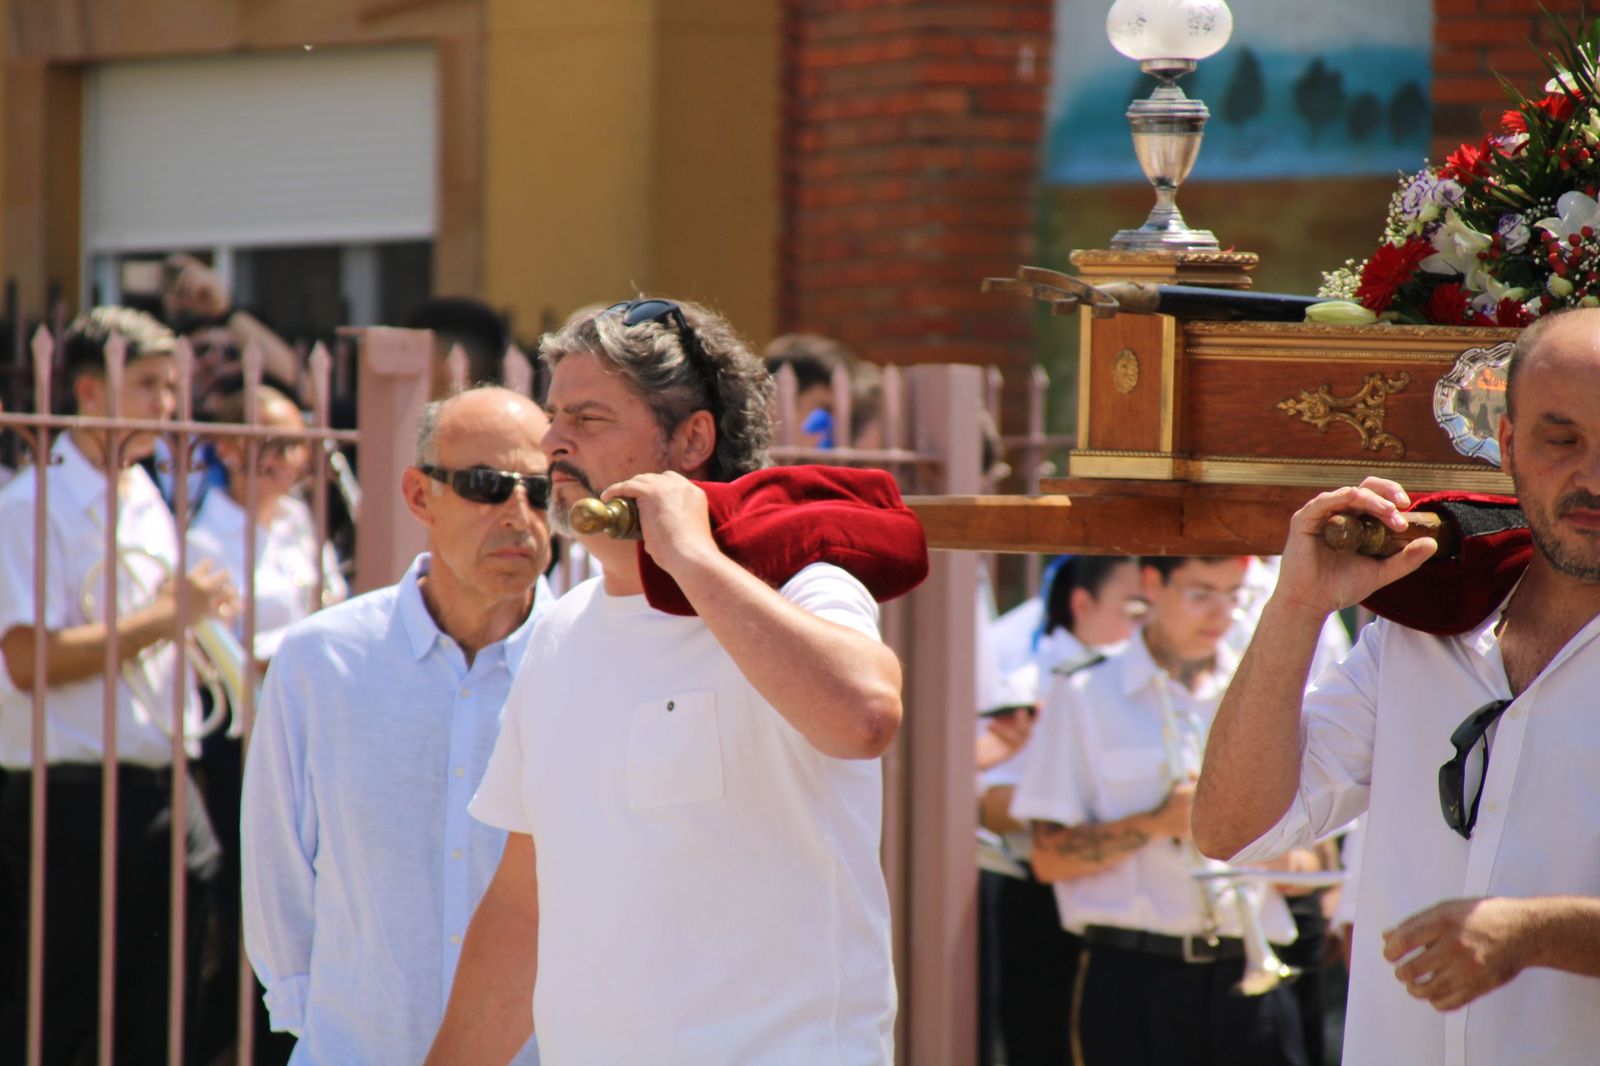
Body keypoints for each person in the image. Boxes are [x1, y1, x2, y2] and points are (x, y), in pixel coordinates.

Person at [426, 298, 904, 1065]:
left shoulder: (805, 584)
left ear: (691, 439)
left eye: (589, 418)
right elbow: (524, 907)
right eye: (554, 417)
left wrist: (692, 559)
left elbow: (864, 718)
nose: (553, 442)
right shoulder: (556, 634)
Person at [1193, 307, 1600, 1065]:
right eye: (1562, 440)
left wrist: (1538, 933)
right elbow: (1234, 829)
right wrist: (1298, 606)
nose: (1594, 478)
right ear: (1508, 444)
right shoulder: (1421, 630)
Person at [241, 386, 553, 1065]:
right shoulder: (321, 661)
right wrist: (314, 1026)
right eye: (485, 485)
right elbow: (276, 866)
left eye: (542, 489)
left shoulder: (585, 662)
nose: (519, 514)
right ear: (418, 497)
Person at [0, 306, 232, 1064]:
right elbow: (28, 661)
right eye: (148, 384)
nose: (167, 405)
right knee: (63, 1024)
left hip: (162, 789)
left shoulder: (144, 495)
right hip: (69, 798)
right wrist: (171, 615)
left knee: (160, 1021)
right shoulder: (30, 505)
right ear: (91, 392)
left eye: (171, 386)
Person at [1012, 555, 1310, 1066]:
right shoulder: (1084, 691)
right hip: (1134, 976)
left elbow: (1313, 868)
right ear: (1153, 584)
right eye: (1200, 593)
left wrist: (1259, 846)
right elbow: (1048, 858)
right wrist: (1158, 823)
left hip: (1249, 976)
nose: (1219, 613)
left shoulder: (1267, 693)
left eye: (1233, 596)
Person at [186, 382, 347, 1065]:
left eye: (300, 443)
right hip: (240, 735)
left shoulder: (296, 525)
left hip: (313, 724)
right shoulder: (200, 534)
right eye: (277, 444)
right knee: (249, 891)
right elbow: (217, 650)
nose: (295, 461)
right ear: (228, 448)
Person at [980, 555, 1143, 1066]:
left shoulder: (1140, 677)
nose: (1143, 623)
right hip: (1041, 896)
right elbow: (988, 803)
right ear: (1081, 603)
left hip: (1129, 895)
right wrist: (1078, 809)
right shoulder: (1029, 686)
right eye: (1132, 607)